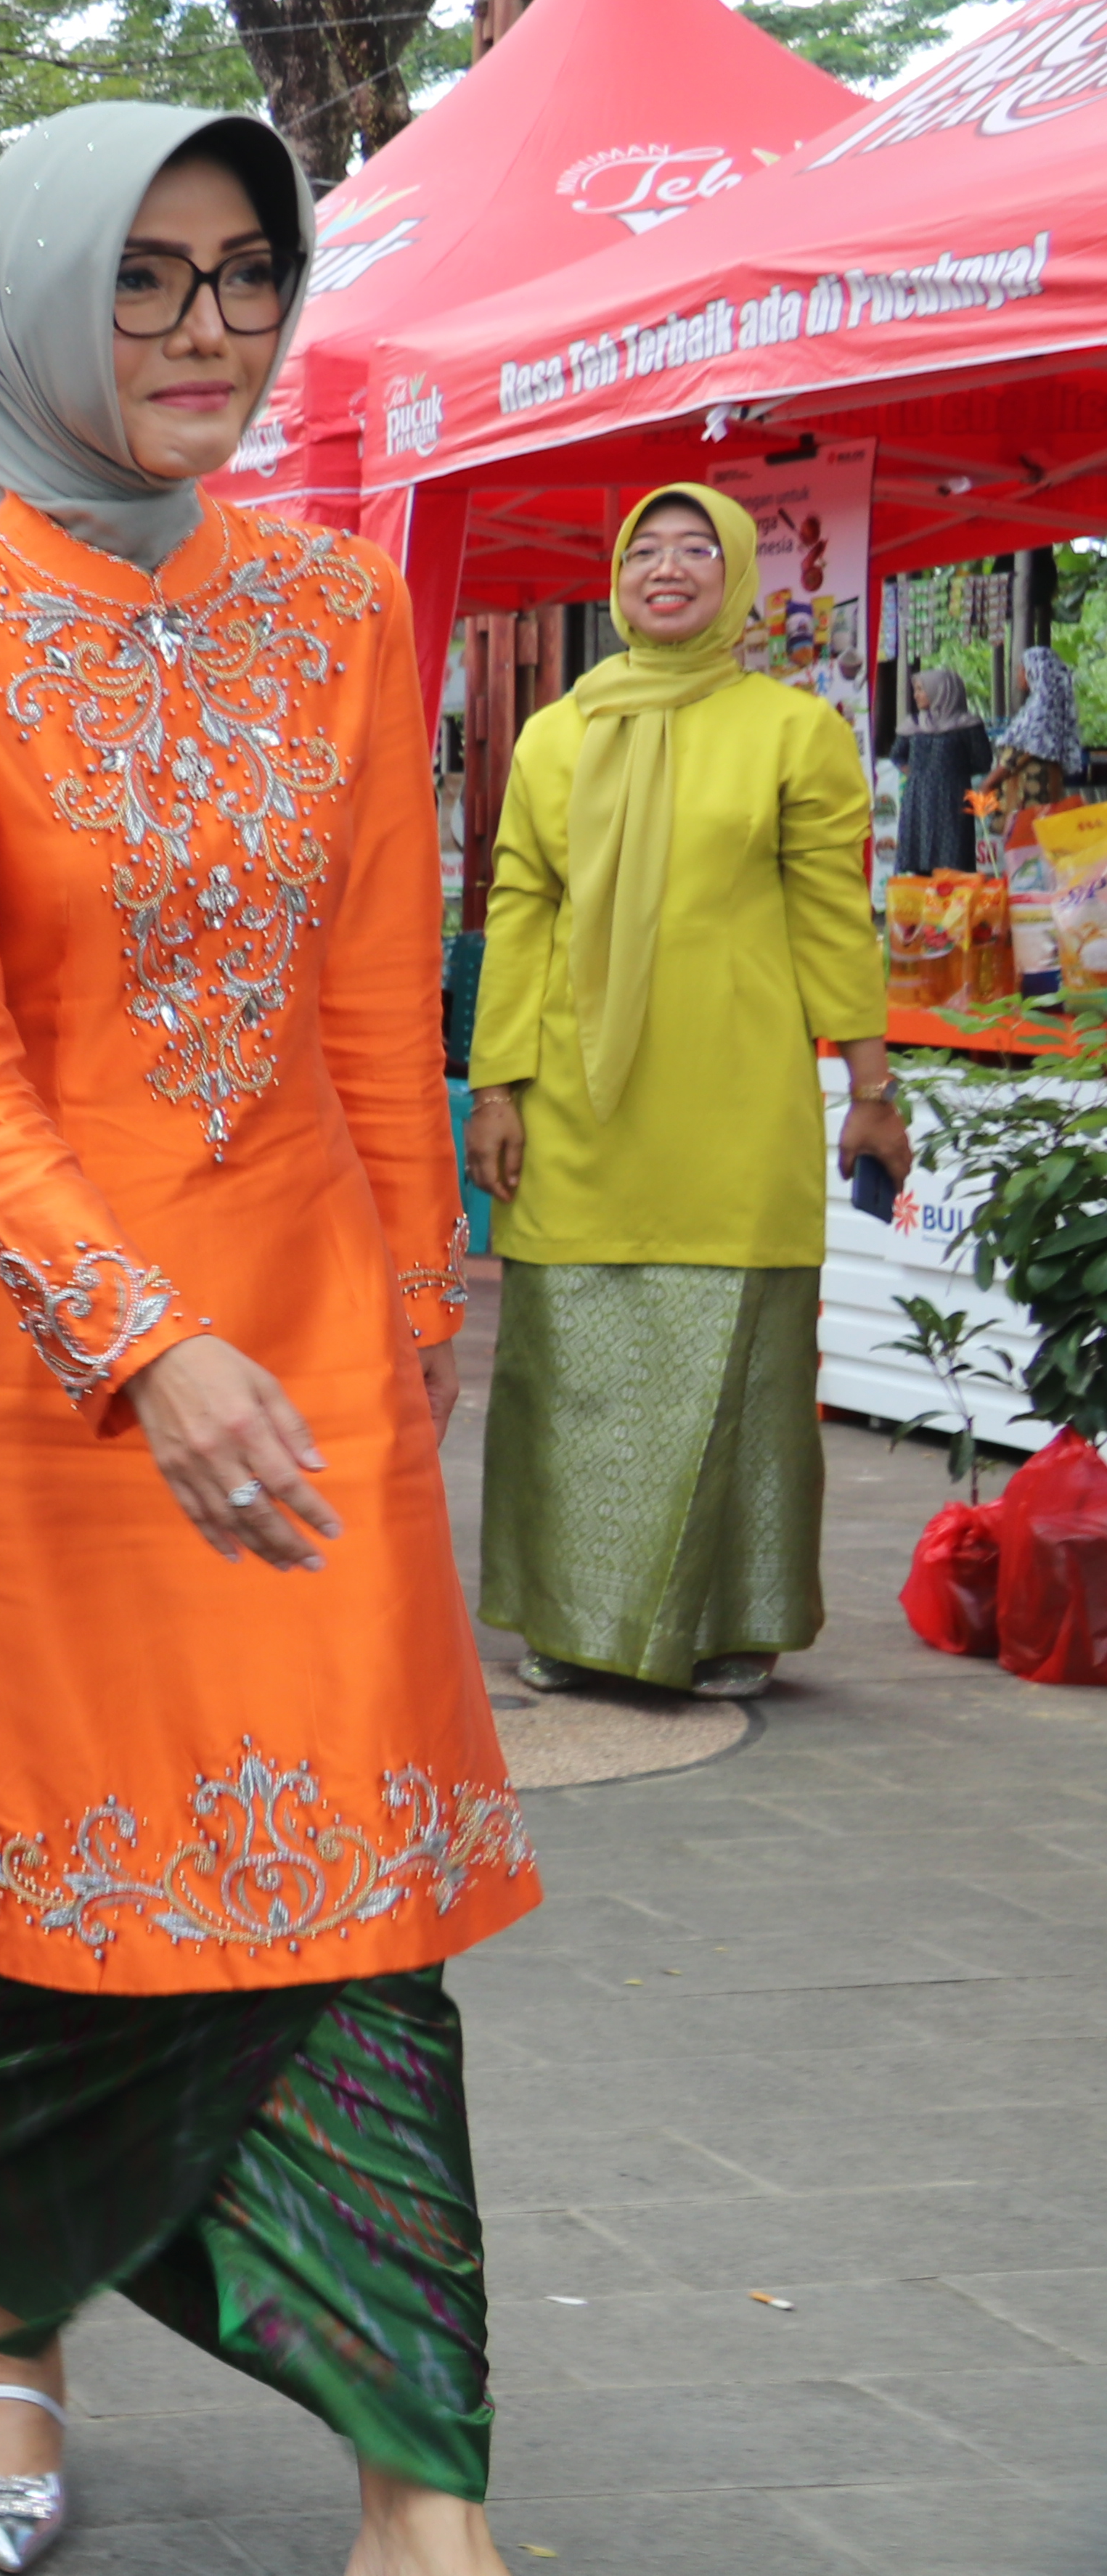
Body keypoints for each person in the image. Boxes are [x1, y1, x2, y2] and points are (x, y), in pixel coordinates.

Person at [0, 102, 535, 2576]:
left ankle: (418, 2487)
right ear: (35, 306)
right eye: (146, 280)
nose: (208, 330)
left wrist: (420, 1310)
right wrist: (140, 1335)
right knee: (33, 1897)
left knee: (355, 1905)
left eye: (245, 275)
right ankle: (11, 2325)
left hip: (313, 1333)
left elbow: (373, 1010)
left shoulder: (344, 614)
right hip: (21, 1384)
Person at [466, 485, 898, 1700]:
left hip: (735, 1097)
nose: (667, 568)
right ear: (615, 576)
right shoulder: (557, 732)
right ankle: (571, 1620)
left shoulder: (792, 730)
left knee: (741, 1363)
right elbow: (519, 910)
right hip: (576, 1103)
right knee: (572, 1368)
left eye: (695, 549)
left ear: (737, 574)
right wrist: (494, 1085)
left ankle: (732, 1623)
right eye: (644, 550)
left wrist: (869, 1079)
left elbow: (829, 915)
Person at [895, 664, 991, 875]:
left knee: (952, 860)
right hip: (918, 801)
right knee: (919, 860)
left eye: (921, 689)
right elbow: (897, 755)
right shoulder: (912, 724)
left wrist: (950, 772)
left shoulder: (967, 725)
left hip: (952, 799)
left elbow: (983, 761)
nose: (917, 695)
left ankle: (952, 905)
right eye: (916, 689)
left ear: (940, 691)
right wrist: (919, 776)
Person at [997, 637, 1079, 795]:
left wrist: (990, 782)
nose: (1018, 674)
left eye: (1022, 669)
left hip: (1031, 793)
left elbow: (1021, 751)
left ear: (1035, 672)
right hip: (1050, 788)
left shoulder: (1041, 710)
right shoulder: (1056, 708)